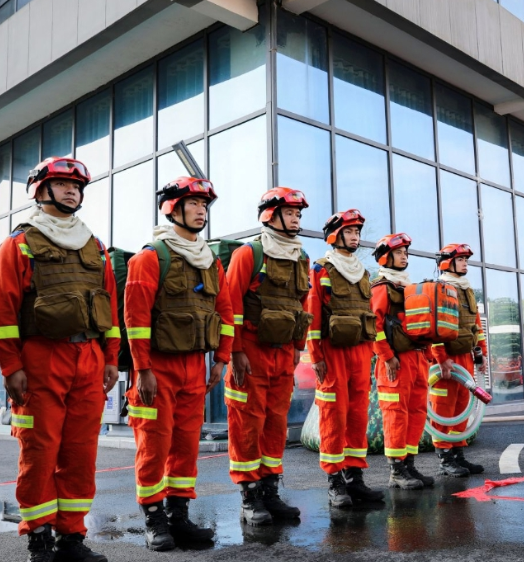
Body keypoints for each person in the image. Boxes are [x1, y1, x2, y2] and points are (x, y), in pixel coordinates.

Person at [0, 157, 120, 562]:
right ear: (40, 190)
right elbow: (4, 313)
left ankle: (72, 537)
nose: (73, 190)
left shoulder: (95, 246)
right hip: (39, 361)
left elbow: (109, 310)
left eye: (77, 186)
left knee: (80, 453)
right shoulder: (18, 244)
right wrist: (11, 367)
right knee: (39, 452)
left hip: (87, 359)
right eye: (63, 184)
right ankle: (39, 539)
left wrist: (110, 359)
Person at [124, 177, 234, 552]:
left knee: (186, 445)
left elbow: (225, 311)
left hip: (195, 368)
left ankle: (178, 516)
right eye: (194, 204)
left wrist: (221, 358)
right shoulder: (150, 258)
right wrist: (142, 370)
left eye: (205, 205)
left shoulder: (210, 262)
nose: (201, 210)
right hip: (158, 368)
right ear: (172, 208)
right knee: (154, 446)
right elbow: (135, 319)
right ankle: (155, 519)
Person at [225, 188, 311, 526]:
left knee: (275, 424)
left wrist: (298, 349)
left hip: (283, 354)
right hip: (251, 353)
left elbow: (303, 306)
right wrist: (234, 352)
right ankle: (249, 496)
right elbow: (230, 305)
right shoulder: (250, 254)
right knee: (248, 424)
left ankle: (270, 491)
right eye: (290, 213)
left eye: (298, 214)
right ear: (269, 215)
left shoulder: (301, 258)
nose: (296, 219)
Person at [306, 210, 384, 507]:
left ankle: (355, 478)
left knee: (357, 416)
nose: (355, 237)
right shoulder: (322, 269)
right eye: (350, 232)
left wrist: (375, 354)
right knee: (333, 416)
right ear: (335, 235)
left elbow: (369, 317)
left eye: (357, 233)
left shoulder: (363, 272)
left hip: (360, 353)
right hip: (332, 352)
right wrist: (315, 356)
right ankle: (335, 481)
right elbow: (313, 312)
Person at [371, 233, 433, 490]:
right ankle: (396, 470)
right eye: (399, 252)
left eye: (406, 252)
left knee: (417, 413)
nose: (405, 256)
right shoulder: (381, 288)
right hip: (394, 363)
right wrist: (387, 356)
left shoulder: (409, 288)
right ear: (386, 257)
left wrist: (428, 355)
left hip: (417, 359)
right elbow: (374, 326)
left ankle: (409, 465)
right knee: (396, 415)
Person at [430, 244, 487, 477]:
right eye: (461, 259)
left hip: (464, 359)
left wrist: (480, 352)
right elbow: (433, 328)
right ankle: (445, 460)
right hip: (446, 362)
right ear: (447, 262)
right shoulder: (439, 289)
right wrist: (441, 359)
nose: (465, 263)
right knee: (444, 410)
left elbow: (476, 326)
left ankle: (458, 456)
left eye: (466, 259)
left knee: (462, 407)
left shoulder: (467, 290)